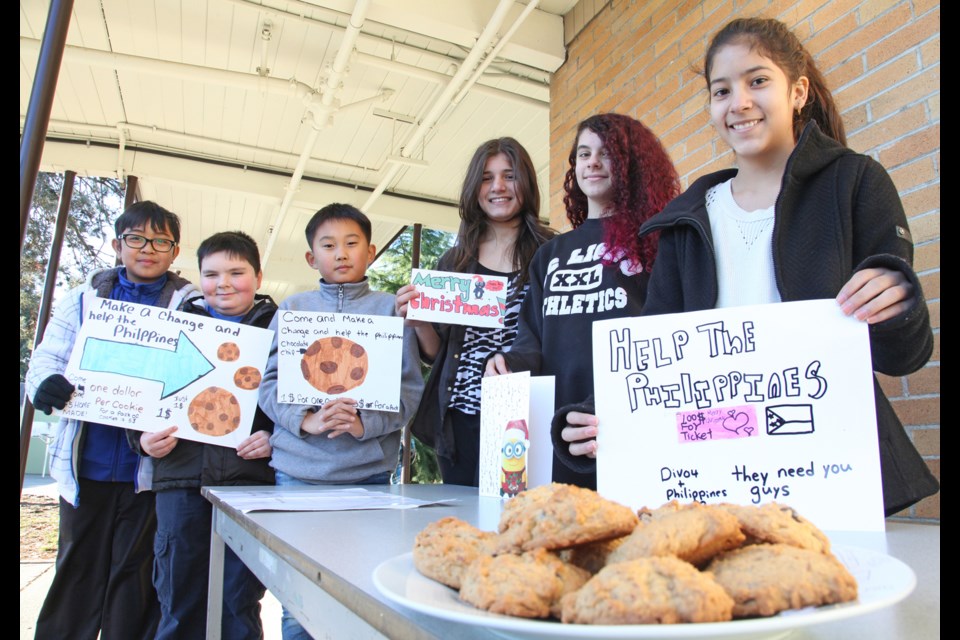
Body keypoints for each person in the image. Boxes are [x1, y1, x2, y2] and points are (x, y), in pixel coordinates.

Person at [562, 17, 938, 515]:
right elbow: (652, 356)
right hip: (709, 475)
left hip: (829, 474)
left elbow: (904, 356)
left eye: (757, 81)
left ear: (798, 91)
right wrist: (596, 415)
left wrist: (898, 300)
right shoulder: (683, 223)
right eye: (721, 91)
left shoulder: (856, 183)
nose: (738, 102)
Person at [25, 201, 198, 640]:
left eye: (161, 241)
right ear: (119, 245)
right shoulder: (83, 298)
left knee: (135, 578)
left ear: (174, 251)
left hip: (149, 469)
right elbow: (45, 359)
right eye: (137, 239)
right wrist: (46, 384)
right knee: (76, 571)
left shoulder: (190, 302)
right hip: (85, 464)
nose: (148, 249)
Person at [484, 114, 680, 489]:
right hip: (555, 433)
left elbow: (664, 335)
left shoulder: (656, 242)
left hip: (622, 425)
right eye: (584, 153)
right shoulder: (550, 253)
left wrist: (616, 404)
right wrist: (507, 362)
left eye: (607, 154)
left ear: (631, 165)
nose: (592, 162)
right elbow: (531, 340)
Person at [258, 203, 424, 639]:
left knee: (361, 589)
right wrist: (307, 420)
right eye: (328, 246)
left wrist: (362, 424)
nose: (341, 253)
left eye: (352, 244)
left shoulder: (392, 311)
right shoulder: (293, 308)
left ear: (370, 252)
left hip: (366, 477)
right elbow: (268, 384)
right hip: (297, 477)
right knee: (297, 597)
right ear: (312, 258)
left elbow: (409, 391)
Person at [132, 231, 277, 639]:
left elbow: (294, 403)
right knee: (178, 600)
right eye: (211, 274)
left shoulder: (283, 331)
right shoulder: (173, 328)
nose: (224, 283)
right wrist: (142, 440)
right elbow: (140, 398)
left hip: (251, 486)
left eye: (237, 272)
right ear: (199, 278)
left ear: (259, 277)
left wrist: (274, 438)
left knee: (238, 601)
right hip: (180, 483)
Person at [395, 138, 555, 486]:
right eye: (486, 178)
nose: (498, 187)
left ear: (526, 183)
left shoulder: (551, 253)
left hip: (528, 416)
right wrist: (420, 322)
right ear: (474, 188)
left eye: (509, 176)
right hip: (461, 418)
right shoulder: (455, 261)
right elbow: (435, 353)